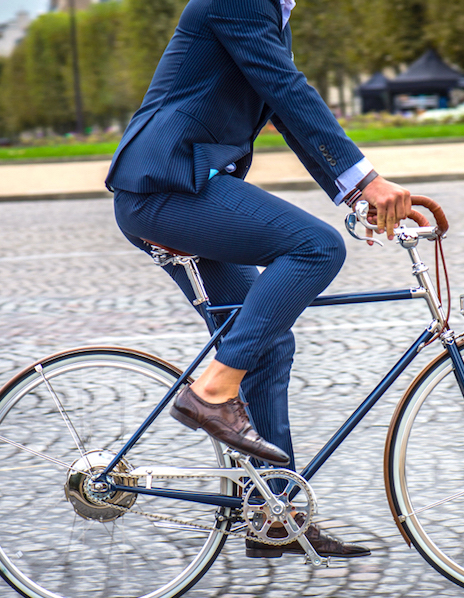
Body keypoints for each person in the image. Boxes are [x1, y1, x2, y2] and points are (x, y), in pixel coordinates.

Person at [106, 0, 412, 558]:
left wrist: (354, 191)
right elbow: (290, 89)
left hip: (183, 186)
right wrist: (366, 180)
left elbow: (285, 107)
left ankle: (274, 515)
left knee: (266, 339)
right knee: (316, 247)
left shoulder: (268, 8)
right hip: (169, 187)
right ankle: (212, 392)